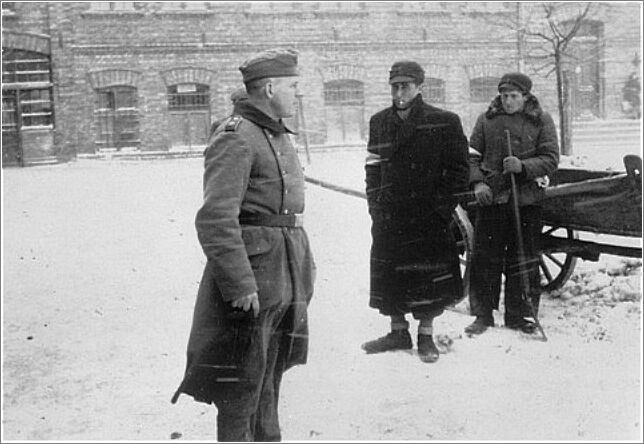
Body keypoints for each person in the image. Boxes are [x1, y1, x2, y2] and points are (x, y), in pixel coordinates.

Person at [171, 48, 316, 442]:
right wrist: (240, 284)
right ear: (269, 88)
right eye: (293, 86)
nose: (297, 94)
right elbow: (216, 218)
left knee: (269, 375)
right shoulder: (237, 137)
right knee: (240, 386)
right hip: (253, 281)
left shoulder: (273, 132)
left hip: (283, 273)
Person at [363, 60, 469, 363]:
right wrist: (375, 204)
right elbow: (372, 166)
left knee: (428, 277)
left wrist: (441, 208)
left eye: (405, 86)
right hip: (390, 215)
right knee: (391, 274)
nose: (399, 92)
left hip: (428, 216)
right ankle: (398, 331)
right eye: (394, 86)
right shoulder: (379, 121)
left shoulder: (444, 121)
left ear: (419, 87)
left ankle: (425, 334)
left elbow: (459, 171)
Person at [464, 72, 559, 336]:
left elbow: (551, 158)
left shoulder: (540, 120)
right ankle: (483, 314)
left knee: (524, 258)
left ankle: (519, 314)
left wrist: (523, 166)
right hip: (492, 199)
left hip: (526, 200)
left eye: (514, 96)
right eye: (504, 96)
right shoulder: (487, 120)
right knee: (486, 258)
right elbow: (472, 157)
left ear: (525, 97)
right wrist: (478, 183)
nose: (507, 101)